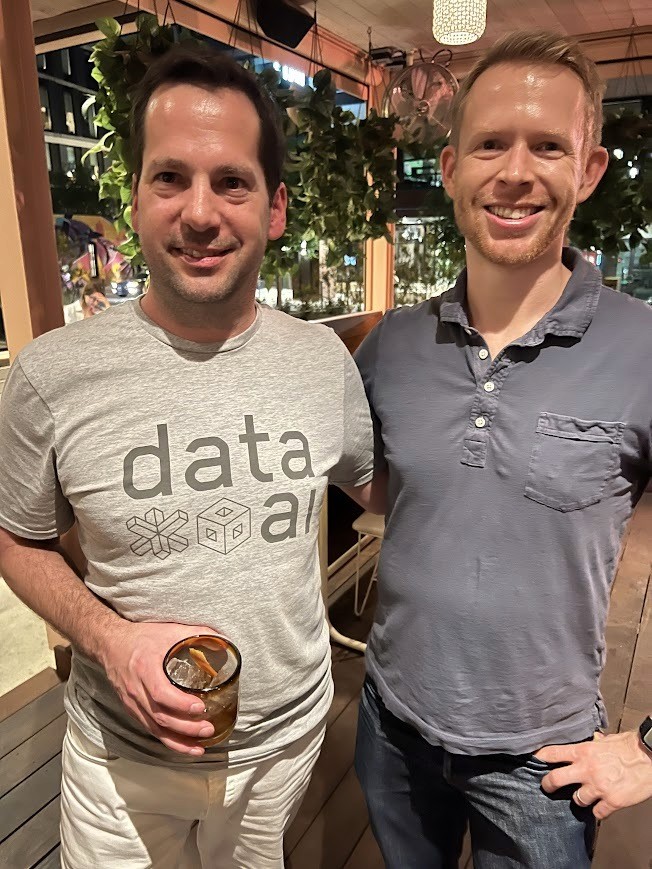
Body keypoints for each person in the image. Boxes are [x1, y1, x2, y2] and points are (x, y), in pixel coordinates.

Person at [0, 46, 382, 868]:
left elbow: (383, 492)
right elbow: (16, 536)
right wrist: (109, 639)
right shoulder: (50, 375)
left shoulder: (323, 362)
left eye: (232, 181)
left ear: (274, 208)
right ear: (136, 198)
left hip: (283, 744)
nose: (200, 213)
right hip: (121, 761)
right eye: (170, 177)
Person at [354, 30, 652, 869]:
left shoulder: (643, 349)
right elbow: (375, 484)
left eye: (547, 146)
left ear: (588, 170)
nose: (515, 172)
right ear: (451, 169)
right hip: (392, 724)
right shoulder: (393, 345)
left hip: (544, 759)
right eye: (490, 144)